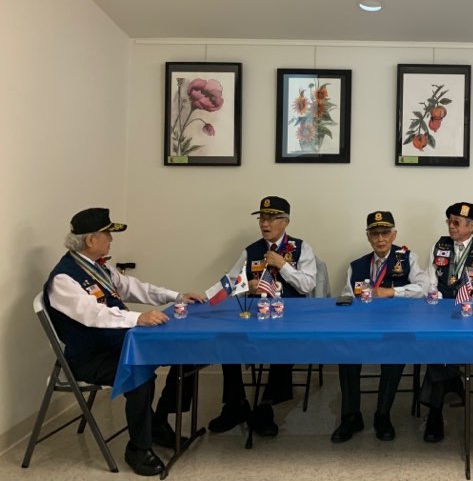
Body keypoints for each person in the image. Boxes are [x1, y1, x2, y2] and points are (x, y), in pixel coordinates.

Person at [45, 208, 205, 476]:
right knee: (139, 374)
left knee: (186, 352)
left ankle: (158, 421)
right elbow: (94, 314)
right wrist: (138, 318)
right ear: (91, 240)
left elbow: (134, 287)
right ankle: (138, 448)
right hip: (90, 357)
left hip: (119, 343)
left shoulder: (99, 267)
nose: (111, 239)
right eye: (107, 234)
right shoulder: (64, 279)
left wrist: (176, 296)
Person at [208, 196, 318, 437]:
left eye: (271, 218)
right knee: (228, 340)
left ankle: (266, 406)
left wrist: (283, 265)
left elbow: (308, 285)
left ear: (285, 221)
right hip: (255, 314)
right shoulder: (251, 250)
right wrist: (247, 285)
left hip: (290, 315)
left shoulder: (301, 248)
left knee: (284, 343)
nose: (264, 223)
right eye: (262, 218)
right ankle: (235, 403)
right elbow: (230, 283)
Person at [332, 211, 430, 443]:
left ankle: (382, 415)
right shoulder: (356, 265)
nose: (380, 238)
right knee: (346, 355)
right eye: (375, 234)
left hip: (396, 326)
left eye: (385, 233)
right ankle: (351, 416)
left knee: (395, 355)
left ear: (394, 235)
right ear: (368, 237)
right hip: (362, 327)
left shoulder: (407, 259)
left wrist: (392, 291)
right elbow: (347, 297)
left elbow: (424, 288)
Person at [419, 201, 473, 442]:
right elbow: (430, 279)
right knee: (437, 340)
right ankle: (451, 385)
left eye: (456, 222)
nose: (451, 226)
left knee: (442, 346)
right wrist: (434, 296)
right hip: (440, 310)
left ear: (471, 226)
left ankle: (435, 412)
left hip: (470, 313)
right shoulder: (439, 246)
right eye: (449, 221)